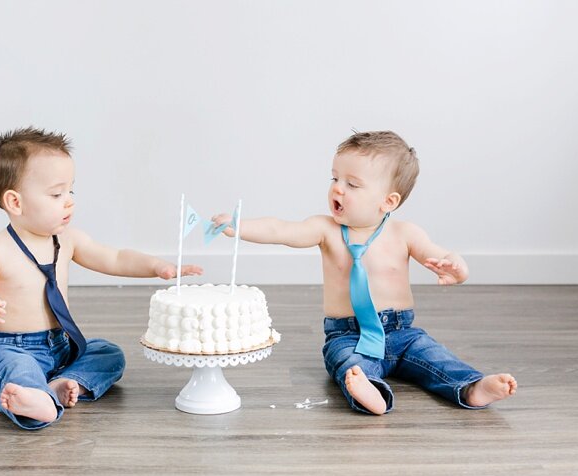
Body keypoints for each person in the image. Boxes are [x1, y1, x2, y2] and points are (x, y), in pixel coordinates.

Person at [212, 130, 516, 415]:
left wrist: (457, 268)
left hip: (402, 333)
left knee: (435, 356)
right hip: (347, 334)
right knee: (348, 363)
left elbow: (441, 256)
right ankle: (372, 393)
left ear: (388, 201)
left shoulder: (405, 233)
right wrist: (239, 226)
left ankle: (471, 387)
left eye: (352, 184)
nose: (337, 188)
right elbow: (281, 229)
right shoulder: (325, 230)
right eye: (334, 178)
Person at [0, 127, 202, 429]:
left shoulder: (67, 239)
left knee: (109, 354)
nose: (69, 201)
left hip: (59, 346)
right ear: (15, 202)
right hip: (7, 347)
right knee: (13, 369)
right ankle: (36, 400)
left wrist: (157, 267)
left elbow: (114, 258)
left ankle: (64, 384)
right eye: (57, 194)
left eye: (71, 191)